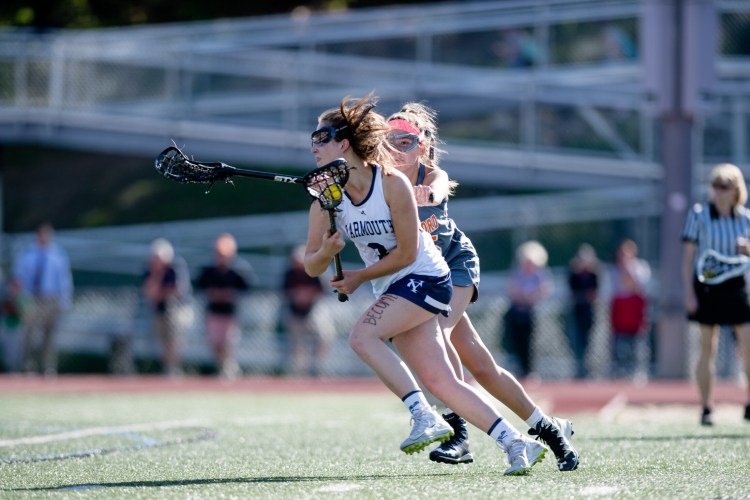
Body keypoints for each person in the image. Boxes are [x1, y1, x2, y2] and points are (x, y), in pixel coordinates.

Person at [305, 93, 546, 477]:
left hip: (425, 276)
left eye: (321, 137)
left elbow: (405, 254)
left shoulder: (391, 184)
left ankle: (423, 415)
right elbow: (310, 262)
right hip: (392, 289)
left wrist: (358, 277)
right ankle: (518, 443)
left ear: (344, 142)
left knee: (361, 337)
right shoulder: (326, 199)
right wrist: (328, 251)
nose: (313, 146)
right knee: (441, 381)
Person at [386, 102, 578, 471]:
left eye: (406, 142)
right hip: (425, 277)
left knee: (433, 338)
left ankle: (459, 434)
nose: (397, 150)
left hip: (454, 266)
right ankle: (551, 430)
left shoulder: (431, 176)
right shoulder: (384, 182)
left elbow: (438, 192)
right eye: (389, 142)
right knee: (483, 366)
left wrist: (417, 196)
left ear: (423, 146)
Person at [681, 163, 750, 426]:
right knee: (707, 346)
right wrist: (689, 293)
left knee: (748, 346)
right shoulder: (699, 215)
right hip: (707, 286)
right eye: (715, 185)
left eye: (724, 186)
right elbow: (687, 258)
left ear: (735, 190)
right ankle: (706, 407)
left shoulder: (745, 219)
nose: (718, 191)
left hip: (735, 286)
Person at [12, 222, 73, 375]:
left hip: (50, 298)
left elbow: (64, 279)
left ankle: (48, 368)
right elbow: (19, 277)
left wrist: (65, 300)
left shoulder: (58, 255)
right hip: (31, 297)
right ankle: (27, 366)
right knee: (28, 333)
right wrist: (19, 297)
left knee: (49, 334)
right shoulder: (27, 254)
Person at [196, 233, 252, 379]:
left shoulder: (237, 271)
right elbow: (199, 288)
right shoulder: (209, 271)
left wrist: (229, 295)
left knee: (228, 343)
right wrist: (213, 294)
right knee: (215, 343)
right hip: (213, 312)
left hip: (230, 314)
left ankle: (228, 369)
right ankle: (223, 367)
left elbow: (246, 290)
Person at [504, 240, 553, 380]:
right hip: (516, 312)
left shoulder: (539, 275)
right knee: (516, 342)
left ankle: (529, 371)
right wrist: (523, 297)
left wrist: (529, 297)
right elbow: (513, 289)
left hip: (530, 313)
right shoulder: (517, 273)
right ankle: (518, 369)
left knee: (530, 343)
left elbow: (544, 289)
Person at [143, 237, 191, 376]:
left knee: (174, 337)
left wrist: (161, 293)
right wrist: (157, 275)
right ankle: (167, 367)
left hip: (177, 309)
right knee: (161, 339)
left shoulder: (175, 267)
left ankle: (173, 367)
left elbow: (178, 291)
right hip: (160, 310)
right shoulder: (150, 270)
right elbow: (150, 293)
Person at [281, 244, 328, 376]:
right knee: (297, 344)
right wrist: (296, 295)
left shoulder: (314, 271)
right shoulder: (289, 273)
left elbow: (324, 290)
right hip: (295, 313)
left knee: (323, 337)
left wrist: (307, 294)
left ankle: (317, 368)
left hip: (313, 311)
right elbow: (284, 292)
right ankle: (299, 372)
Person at [610, 240, 650, 381]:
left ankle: (637, 372)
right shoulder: (615, 271)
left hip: (635, 316)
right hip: (620, 317)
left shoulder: (641, 268)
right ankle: (620, 372)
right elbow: (617, 290)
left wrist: (629, 272)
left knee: (637, 346)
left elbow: (639, 287)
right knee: (619, 347)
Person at [567, 243, 599, 379]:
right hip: (576, 312)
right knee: (576, 341)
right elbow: (573, 292)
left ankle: (587, 369)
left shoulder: (594, 274)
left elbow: (593, 293)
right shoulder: (574, 274)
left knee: (588, 341)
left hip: (588, 312)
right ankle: (578, 368)